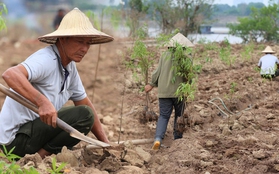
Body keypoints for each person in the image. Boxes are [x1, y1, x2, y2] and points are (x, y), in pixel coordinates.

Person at [0, 7, 114, 158]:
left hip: (32, 133)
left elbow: (84, 102)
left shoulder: (69, 67)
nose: (85, 49)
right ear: (63, 39)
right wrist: (42, 102)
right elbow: (10, 75)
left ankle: (44, 153)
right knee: (84, 115)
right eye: (80, 41)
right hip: (14, 141)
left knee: (85, 114)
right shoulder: (46, 59)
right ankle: (40, 157)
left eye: (88, 43)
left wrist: (106, 144)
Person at [144, 33, 194, 150]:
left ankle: (158, 139)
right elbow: (189, 76)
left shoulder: (164, 55)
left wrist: (152, 84)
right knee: (179, 115)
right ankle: (177, 140)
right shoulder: (187, 57)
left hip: (164, 91)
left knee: (164, 116)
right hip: (180, 92)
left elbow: (157, 72)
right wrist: (188, 88)